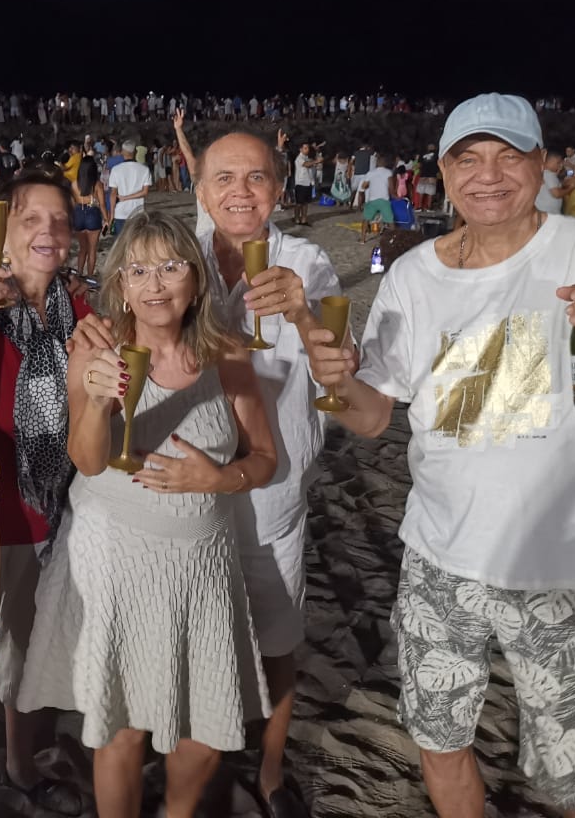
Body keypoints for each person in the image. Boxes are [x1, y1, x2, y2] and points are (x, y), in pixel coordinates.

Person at [307, 93, 575, 818]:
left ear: (541, 164)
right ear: (443, 170)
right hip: (436, 560)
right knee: (439, 741)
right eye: (469, 158)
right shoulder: (411, 276)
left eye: (509, 156)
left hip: (559, 568)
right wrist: (332, 383)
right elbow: (370, 419)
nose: (488, 175)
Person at [19, 212, 276, 818]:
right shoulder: (98, 345)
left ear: (195, 279)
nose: (154, 284)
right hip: (116, 553)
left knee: (208, 724)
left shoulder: (227, 350)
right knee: (123, 725)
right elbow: (84, 458)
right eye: (138, 271)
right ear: (121, 285)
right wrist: (96, 399)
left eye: (170, 266)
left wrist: (220, 478)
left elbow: (265, 458)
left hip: (200, 561)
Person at [194, 131, 343, 815]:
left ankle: (273, 770)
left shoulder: (305, 262)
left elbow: (340, 375)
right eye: (224, 178)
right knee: (200, 636)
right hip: (193, 491)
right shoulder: (181, 258)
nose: (240, 193)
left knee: (278, 637)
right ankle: (207, 764)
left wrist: (304, 313)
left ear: (278, 190)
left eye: (256, 178)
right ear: (201, 189)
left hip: (273, 490)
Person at [0, 169, 95, 813]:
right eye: (32, 219)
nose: (48, 232)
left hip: (59, 512)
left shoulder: (81, 310)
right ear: (4, 235)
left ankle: (22, 762)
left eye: (59, 221)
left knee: (35, 652)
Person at [72, 143, 106, 277]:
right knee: (92, 250)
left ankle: (79, 275)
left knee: (82, 250)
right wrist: (107, 219)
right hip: (93, 213)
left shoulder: (74, 184)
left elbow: (72, 202)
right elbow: (102, 204)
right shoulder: (97, 184)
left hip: (78, 214)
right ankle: (90, 277)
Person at [107, 139, 152, 236]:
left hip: (121, 212)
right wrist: (128, 197)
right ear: (135, 152)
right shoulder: (144, 169)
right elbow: (145, 192)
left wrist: (111, 215)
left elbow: (113, 194)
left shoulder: (116, 170)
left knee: (120, 244)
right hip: (138, 211)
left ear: (122, 152)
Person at [359, 158, 394, 242]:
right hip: (384, 199)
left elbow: (363, 186)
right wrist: (394, 196)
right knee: (390, 221)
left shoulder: (370, 173)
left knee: (366, 220)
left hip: (372, 199)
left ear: (377, 163)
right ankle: (393, 239)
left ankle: (362, 239)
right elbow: (391, 188)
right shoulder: (388, 172)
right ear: (385, 163)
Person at [292, 142, 318, 225]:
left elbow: (310, 164)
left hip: (308, 182)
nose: (307, 150)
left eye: (308, 148)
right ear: (301, 149)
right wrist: (316, 161)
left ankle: (304, 219)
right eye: (305, 148)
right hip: (301, 183)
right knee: (299, 203)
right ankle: (296, 218)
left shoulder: (307, 158)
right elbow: (306, 164)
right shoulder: (299, 158)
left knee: (305, 203)